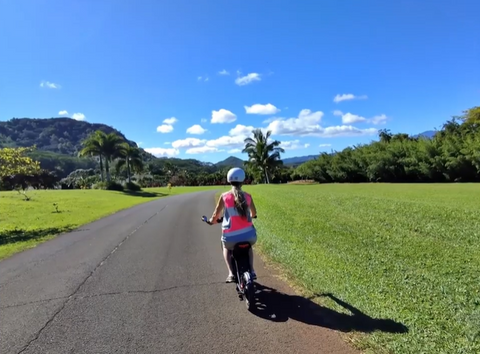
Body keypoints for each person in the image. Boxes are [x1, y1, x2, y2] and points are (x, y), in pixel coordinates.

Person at [209, 167, 257, 283]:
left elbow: (216, 214)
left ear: (229, 180)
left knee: (226, 247)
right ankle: (252, 270)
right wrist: (252, 215)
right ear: (243, 181)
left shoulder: (224, 196)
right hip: (249, 235)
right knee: (249, 247)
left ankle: (231, 273)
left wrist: (212, 220)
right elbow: (254, 213)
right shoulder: (248, 196)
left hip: (230, 237)